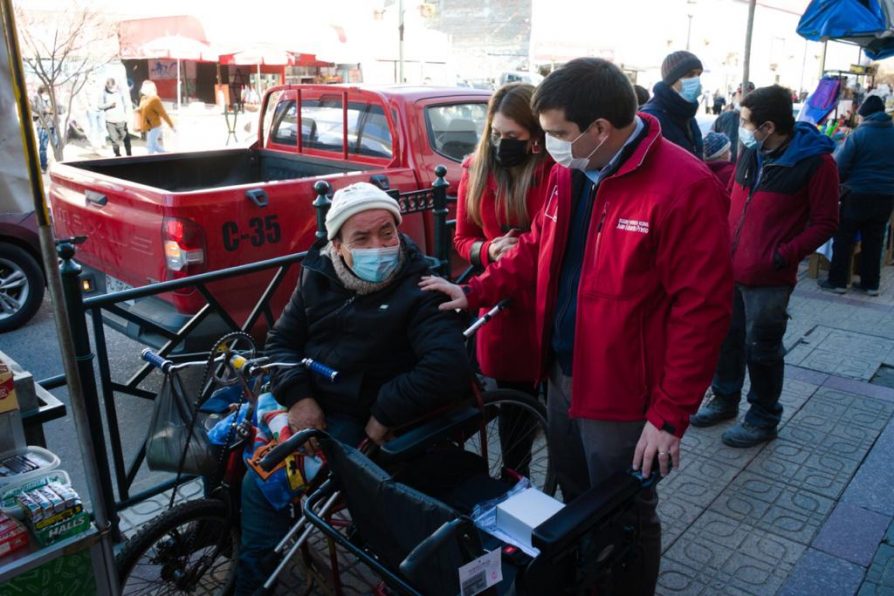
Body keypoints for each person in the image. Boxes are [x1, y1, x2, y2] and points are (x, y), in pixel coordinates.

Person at [420, 57, 733, 594]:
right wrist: (475, 290)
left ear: (600, 129)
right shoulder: (572, 173)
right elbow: (536, 250)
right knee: (572, 497)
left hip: (624, 391)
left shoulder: (683, 186)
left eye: (557, 133)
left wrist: (669, 415)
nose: (548, 145)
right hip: (563, 372)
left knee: (626, 509)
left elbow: (701, 312)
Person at [236, 182, 473, 594]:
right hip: (307, 398)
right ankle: (239, 537)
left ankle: (253, 583)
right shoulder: (318, 274)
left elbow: (446, 366)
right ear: (338, 246)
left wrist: (384, 412)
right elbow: (281, 343)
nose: (378, 246)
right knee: (223, 438)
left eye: (387, 232)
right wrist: (299, 398)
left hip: (358, 418)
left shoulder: (421, 287)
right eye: (361, 238)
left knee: (260, 482)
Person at [691, 85, 839, 447]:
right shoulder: (751, 152)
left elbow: (826, 222)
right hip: (730, 269)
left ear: (768, 126)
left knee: (762, 348)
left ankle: (762, 416)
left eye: (745, 121)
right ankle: (724, 398)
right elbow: (734, 201)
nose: (740, 127)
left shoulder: (816, 163)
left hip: (769, 278)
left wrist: (781, 255)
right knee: (726, 339)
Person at [454, 82, 553, 473]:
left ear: (534, 136)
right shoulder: (476, 170)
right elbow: (463, 238)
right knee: (512, 409)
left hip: (543, 300)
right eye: (495, 133)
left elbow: (543, 243)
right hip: (501, 307)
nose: (501, 143)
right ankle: (517, 481)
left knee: (545, 406)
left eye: (512, 136)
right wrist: (486, 250)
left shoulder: (551, 172)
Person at [820, 95, 894, 296]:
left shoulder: (859, 135)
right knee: (875, 239)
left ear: (865, 116)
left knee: (844, 238)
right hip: (886, 195)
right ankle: (871, 284)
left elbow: (840, 166)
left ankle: (838, 281)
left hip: (857, 194)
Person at [641, 50, 705, 157]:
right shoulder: (652, 118)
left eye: (699, 74)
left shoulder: (688, 115)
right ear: (672, 80)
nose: (696, 79)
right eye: (690, 75)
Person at [137, 80, 174, 154]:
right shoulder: (143, 98)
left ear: (149, 89)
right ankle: (168, 154)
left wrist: (172, 126)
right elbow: (142, 109)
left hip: (155, 126)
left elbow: (163, 114)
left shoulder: (155, 99)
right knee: (155, 145)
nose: (142, 89)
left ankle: (149, 162)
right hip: (148, 126)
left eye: (144, 87)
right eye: (142, 87)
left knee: (150, 146)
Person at [99, 78, 132, 157]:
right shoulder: (103, 93)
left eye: (112, 88)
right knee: (114, 140)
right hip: (110, 121)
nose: (112, 90)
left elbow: (126, 104)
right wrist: (109, 105)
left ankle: (129, 154)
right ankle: (117, 155)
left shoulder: (120, 92)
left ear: (115, 85)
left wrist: (127, 116)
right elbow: (99, 106)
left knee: (126, 138)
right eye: (109, 88)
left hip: (121, 120)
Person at [31, 85, 57, 172]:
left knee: (57, 145)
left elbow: (62, 108)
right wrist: (44, 111)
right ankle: (43, 166)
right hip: (42, 126)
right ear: (41, 92)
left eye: (47, 92)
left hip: (53, 125)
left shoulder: (52, 98)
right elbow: (33, 113)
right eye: (45, 92)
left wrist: (55, 110)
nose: (46, 94)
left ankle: (59, 165)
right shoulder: (35, 99)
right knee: (43, 147)